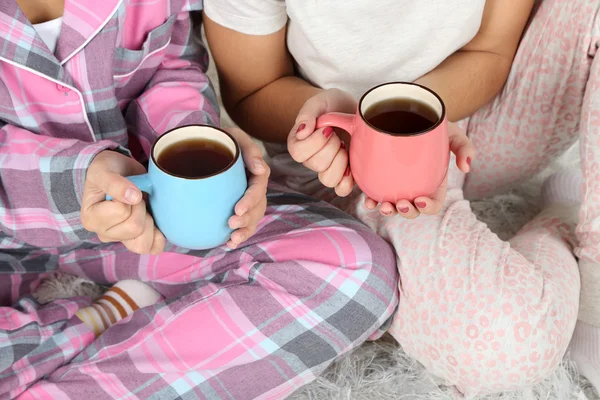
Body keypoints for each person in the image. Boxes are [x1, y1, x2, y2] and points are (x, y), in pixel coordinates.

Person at [0, 1, 399, 399]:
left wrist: (196, 146)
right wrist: (77, 178)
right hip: (11, 245)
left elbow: (171, 69)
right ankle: (95, 320)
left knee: (354, 270)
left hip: (145, 220)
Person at [204, 0, 600, 397]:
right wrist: (366, 128)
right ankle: (561, 219)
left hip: (478, 121)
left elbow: (492, 50)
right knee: (507, 346)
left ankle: (597, 290)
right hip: (343, 166)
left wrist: (419, 118)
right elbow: (253, 88)